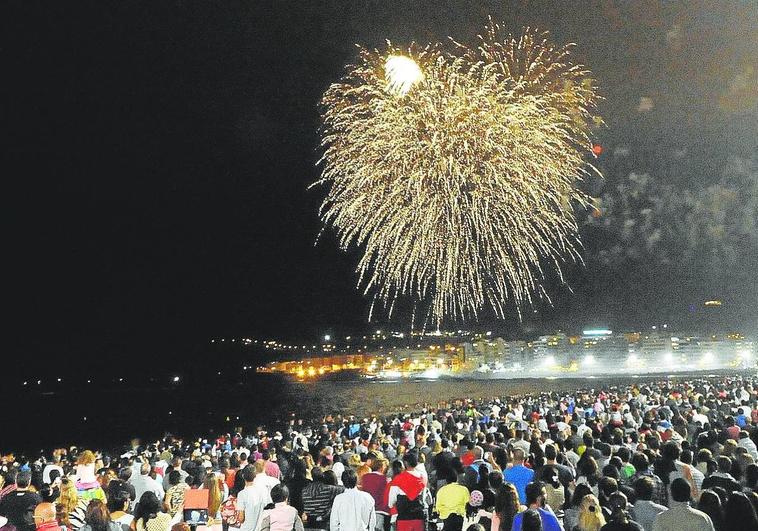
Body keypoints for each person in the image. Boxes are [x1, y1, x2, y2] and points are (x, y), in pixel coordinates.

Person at [388, 453, 427, 531]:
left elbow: (391, 502)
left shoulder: (398, 479)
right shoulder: (422, 478)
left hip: (403, 517)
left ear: (405, 463)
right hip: (418, 517)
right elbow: (423, 499)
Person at [236, 465, 271, 531]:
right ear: (255, 476)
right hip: (260, 528)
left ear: (243, 476)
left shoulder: (242, 494)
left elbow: (241, 519)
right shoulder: (263, 491)